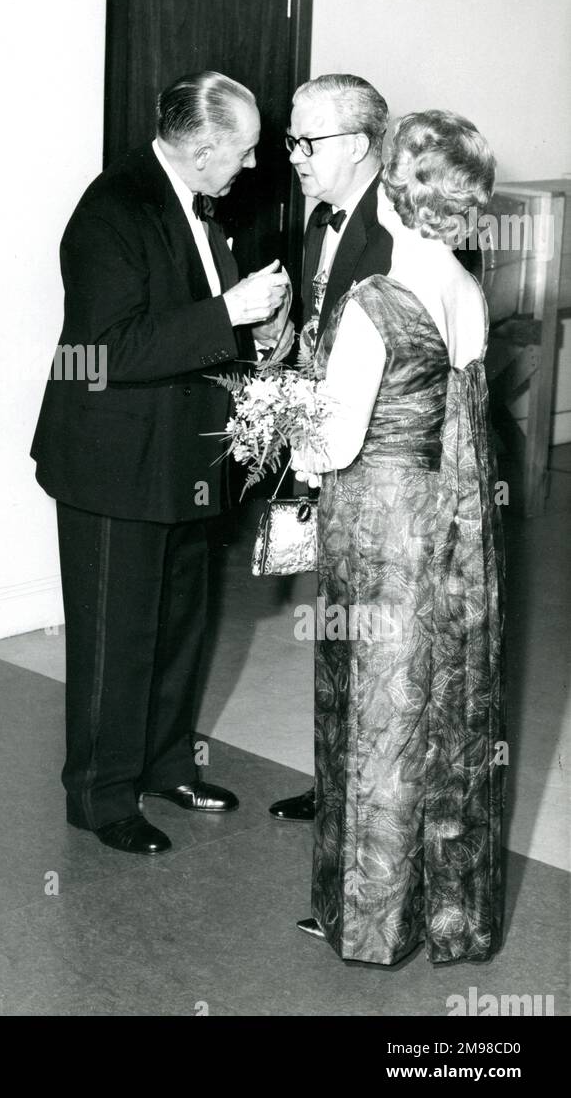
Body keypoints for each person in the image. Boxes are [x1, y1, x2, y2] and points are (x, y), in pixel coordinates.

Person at [31, 71, 292, 855]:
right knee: (118, 636)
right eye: (242, 152)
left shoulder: (198, 202)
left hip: (186, 455)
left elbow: (190, 322)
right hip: (113, 464)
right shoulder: (113, 209)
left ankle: (167, 763)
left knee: (182, 622)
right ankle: (100, 795)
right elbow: (99, 353)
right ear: (204, 145)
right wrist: (227, 313)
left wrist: (256, 332)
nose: (250, 167)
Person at [292, 110, 504, 964]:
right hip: (448, 525)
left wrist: (283, 431)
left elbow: (330, 445)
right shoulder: (467, 289)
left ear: (392, 192)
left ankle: (369, 924)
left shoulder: (375, 301)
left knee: (373, 716)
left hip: (379, 527)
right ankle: (441, 912)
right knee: (437, 704)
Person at [269, 73, 392, 824]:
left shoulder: (404, 230)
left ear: (353, 145)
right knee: (336, 621)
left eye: (305, 142)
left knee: (376, 633)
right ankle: (336, 780)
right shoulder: (320, 219)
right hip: (326, 451)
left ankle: (370, 794)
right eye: (291, 140)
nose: (294, 157)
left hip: (378, 461)